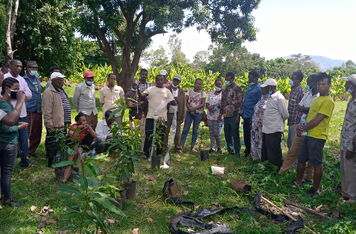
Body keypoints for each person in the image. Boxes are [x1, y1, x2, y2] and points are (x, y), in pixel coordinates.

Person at [294, 73, 335, 196]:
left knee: (316, 163)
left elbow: (318, 119)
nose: (320, 86)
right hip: (308, 134)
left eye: (323, 84)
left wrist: (303, 127)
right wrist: (302, 128)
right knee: (301, 159)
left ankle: (315, 188)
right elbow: (310, 116)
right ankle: (298, 181)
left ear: (329, 85)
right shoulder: (317, 99)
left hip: (318, 136)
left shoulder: (328, 101)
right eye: (319, 84)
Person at [279, 74, 320, 179]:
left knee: (310, 156)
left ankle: (308, 178)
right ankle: (283, 171)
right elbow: (299, 107)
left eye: (309, 83)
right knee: (292, 150)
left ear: (316, 83)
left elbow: (313, 112)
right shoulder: (307, 94)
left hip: (312, 129)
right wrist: (307, 109)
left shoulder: (318, 97)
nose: (308, 85)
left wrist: (306, 109)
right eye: (307, 83)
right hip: (302, 126)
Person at [0, 78, 27, 206]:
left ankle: (2, 194)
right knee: (7, 172)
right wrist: (20, 101)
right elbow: (8, 123)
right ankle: (7, 199)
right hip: (8, 143)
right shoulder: (4, 104)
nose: (17, 92)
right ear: (6, 89)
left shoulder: (5, 104)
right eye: (15, 89)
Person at [4, 59, 33, 168]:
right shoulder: (5, 78)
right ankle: (8, 164)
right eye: (16, 66)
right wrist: (14, 96)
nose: (19, 68)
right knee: (10, 139)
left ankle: (25, 162)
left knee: (24, 139)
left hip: (22, 113)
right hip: (9, 114)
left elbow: (29, 94)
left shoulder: (22, 80)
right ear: (10, 65)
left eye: (21, 66)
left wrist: (21, 95)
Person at [141, 75, 174, 159]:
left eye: (161, 80)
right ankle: (146, 154)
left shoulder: (167, 91)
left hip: (162, 117)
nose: (159, 81)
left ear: (164, 81)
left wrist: (169, 102)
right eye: (158, 80)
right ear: (155, 80)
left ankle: (159, 153)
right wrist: (142, 95)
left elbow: (173, 101)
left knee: (160, 136)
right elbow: (143, 95)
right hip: (150, 116)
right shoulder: (150, 89)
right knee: (149, 134)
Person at [43, 72, 71, 167]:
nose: (62, 82)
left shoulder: (60, 90)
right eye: (59, 80)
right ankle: (51, 163)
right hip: (54, 124)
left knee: (60, 143)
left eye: (62, 80)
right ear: (53, 80)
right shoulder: (48, 92)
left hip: (62, 122)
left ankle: (59, 161)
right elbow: (47, 111)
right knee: (52, 144)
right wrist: (49, 125)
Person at [261, 78, 289, 168]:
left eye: (266, 88)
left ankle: (276, 169)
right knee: (267, 150)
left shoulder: (279, 98)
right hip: (267, 129)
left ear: (271, 88)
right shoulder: (270, 97)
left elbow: (285, 114)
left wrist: (277, 122)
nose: (264, 90)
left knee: (274, 152)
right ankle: (268, 167)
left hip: (274, 129)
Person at [62, 112, 96, 182]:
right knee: (71, 161)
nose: (85, 122)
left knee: (81, 160)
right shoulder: (73, 127)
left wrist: (90, 128)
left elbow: (95, 136)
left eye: (85, 120)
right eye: (83, 120)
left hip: (81, 146)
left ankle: (82, 178)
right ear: (78, 122)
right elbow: (73, 139)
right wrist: (78, 129)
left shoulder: (86, 128)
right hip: (72, 146)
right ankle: (65, 179)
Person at [340, 74, 356, 202]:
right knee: (345, 168)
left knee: (351, 170)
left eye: (347, 84)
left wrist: (352, 147)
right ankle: (345, 193)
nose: (345, 86)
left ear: (352, 85)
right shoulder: (351, 100)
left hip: (351, 143)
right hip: (345, 141)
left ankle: (352, 197)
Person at [221, 72, 243, 156]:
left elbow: (240, 102)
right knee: (227, 134)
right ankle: (230, 151)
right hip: (226, 115)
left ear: (233, 79)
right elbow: (222, 101)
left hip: (234, 115)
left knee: (235, 134)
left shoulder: (238, 88)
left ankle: (237, 152)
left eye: (228, 80)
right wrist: (221, 112)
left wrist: (238, 115)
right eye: (226, 80)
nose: (226, 81)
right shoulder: (225, 89)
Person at [181, 78, 206, 152]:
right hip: (189, 113)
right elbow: (186, 101)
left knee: (195, 130)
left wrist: (194, 109)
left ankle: (192, 146)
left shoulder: (203, 93)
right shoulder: (189, 91)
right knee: (185, 129)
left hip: (198, 114)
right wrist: (190, 109)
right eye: (197, 83)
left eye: (200, 84)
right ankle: (181, 145)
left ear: (201, 85)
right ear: (194, 83)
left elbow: (202, 104)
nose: (198, 85)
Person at [23, 61, 42, 157]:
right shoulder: (24, 80)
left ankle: (32, 151)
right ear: (27, 68)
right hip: (28, 109)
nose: (34, 70)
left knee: (36, 131)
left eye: (36, 68)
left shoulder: (37, 79)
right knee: (27, 132)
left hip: (38, 109)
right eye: (32, 68)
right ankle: (23, 151)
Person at [164, 74, 185, 152]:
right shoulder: (167, 89)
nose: (176, 82)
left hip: (177, 114)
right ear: (173, 80)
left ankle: (177, 147)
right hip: (168, 113)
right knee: (166, 131)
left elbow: (183, 104)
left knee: (177, 131)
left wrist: (182, 115)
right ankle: (164, 147)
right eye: (175, 80)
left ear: (179, 82)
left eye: (177, 81)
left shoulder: (181, 91)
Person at [242, 70, 261, 157]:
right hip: (246, 114)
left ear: (256, 78)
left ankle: (253, 152)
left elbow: (258, 103)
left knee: (252, 135)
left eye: (250, 77)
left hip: (252, 115)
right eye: (249, 77)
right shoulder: (250, 87)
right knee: (246, 133)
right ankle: (247, 150)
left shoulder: (259, 89)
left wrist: (254, 116)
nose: (249, 79)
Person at [250, 86, 269, 161]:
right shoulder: (261, 98)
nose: (261, 90)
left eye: (263, 89)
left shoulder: (269, 99)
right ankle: (256, 157)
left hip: (262, 125)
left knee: (261, 141)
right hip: (255, 124)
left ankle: (262, 157)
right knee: (255, 140)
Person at [287, 71, 304, 149]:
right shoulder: (293, 89)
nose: (292, 80)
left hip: (296, 121)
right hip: (291, 119)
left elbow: (302, 107)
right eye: (291, 78)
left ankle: (294, 160)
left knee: (293, 143)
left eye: (294, 79)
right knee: (289, 142)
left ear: (298, 80)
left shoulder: (300, 91)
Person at [206, 78, 223, 153]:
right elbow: (207, 102)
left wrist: (215, 106)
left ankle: (219, 148)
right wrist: (208, 107)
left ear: (222, 84)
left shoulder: (223, 94)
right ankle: (212, 148)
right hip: (210, 116)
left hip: (218, 116)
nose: (218, 85)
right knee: (211, 132)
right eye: (216, 84)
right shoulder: (211, 93)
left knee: (217, 133)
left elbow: (223, 104)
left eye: (219, 84)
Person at [137, 69, 151, 148]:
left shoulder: (149, 85)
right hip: (135, 109)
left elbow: (149, 97)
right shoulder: (136, 83)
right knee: (135, 129)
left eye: (146, 75)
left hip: (145, 110)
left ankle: (141, 147)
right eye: (143, 74)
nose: (144, 76)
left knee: (143, 130)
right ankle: (134, 147)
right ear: (140, 74)